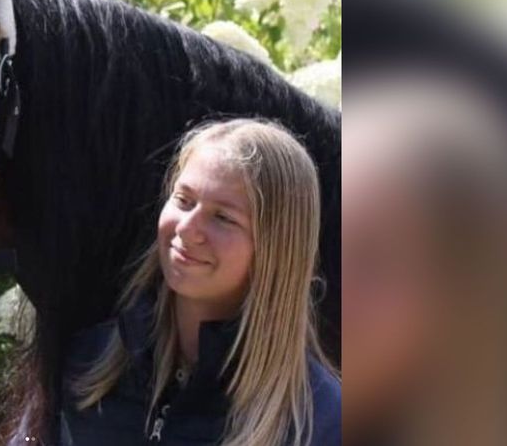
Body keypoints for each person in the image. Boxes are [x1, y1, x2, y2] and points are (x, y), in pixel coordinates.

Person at [57, 119, 339, 445]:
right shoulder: (85, 363)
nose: (187, 229)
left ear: (277, 249)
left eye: (223, 217)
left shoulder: (321, 422)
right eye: (184, 200)